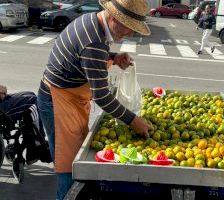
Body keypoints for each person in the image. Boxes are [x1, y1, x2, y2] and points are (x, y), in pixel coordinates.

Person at [37, 0, 152, 199]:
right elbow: (102, 96)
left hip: (69, 94)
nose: (130, 34)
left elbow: (87, 56)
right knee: (68, 164)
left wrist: (114, 57)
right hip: (58, 100)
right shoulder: (94, 42)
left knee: (74, 158)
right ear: (114, 18)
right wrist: (134, 121)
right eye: (129, 27)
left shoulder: (94, 21)